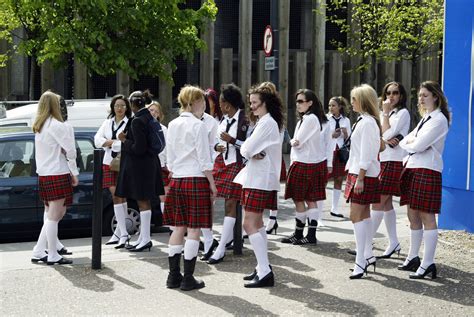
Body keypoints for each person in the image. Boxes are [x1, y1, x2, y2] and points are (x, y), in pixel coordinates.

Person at [163, 85, 217, 291]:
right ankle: (188, 279)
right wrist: (212, 183)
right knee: (194, 230)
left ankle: (172, 277)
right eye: (202, 101)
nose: (204, 105)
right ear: (194, 102)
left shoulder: (173, 123)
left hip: (177, 179)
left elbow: (169, 159)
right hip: (196, 179)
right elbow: (204, 159)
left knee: (178, 228)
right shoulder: (199, 125)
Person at [398, 81, 450, 279]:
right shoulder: (425, 118)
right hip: (412, 167)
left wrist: (413, 143)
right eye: (420, 95)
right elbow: (405, 141)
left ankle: (428, 263)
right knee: (412, 215)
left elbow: (417, 145)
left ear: (436, 96)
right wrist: (413, 143)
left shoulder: (439, 120)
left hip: (427, 169)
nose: (421, 99)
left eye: (425, 95)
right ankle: (413, 257)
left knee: (427, 216)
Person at [233, 84, 283, 288]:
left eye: (255, 103)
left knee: (249, 224)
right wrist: (250, 150)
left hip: (259, 179)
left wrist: (250, 150)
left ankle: (264, 270)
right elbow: (249, 149)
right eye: (251, 102)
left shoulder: (267, 123)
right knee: (258, 224)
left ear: (265, 103)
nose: (251, 106)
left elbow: (246, 148)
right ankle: (263, 268)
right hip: (259, 177)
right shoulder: (266, 121)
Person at [31, 91, 79, 265]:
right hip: (57, 172)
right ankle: (51, 254)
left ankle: (39, 249)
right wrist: (74, 171)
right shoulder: (56, 125)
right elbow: (71, 150)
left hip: (44, 173)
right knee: (55, 214)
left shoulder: (40, 124)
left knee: (52, 213)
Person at [116, 90, 165, 252]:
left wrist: (124, 140)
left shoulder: (137, 120)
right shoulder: (149, 117)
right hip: (150, 165)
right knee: (145, 202)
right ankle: (144, 237)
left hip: (141, 167)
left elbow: (139, 148)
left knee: (142, 202)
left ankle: (145, 239)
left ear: (132, 104)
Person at [206, 83, 249, 263]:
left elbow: (248, 147)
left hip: (236, 164)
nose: (220, 106)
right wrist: (217, 146)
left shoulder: (244, 121)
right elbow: (215, 143)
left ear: (227, 104)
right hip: (221, 162)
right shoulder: (223, 120)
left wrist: (232, 140)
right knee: (208, 195)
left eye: (222, 102)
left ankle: (222, 247)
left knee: (231, 204)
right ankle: (209, 241)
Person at [281, 89, 328, 245]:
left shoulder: (309, 119)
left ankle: (301, 234)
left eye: (301, 101)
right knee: (309, 199)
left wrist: (292, 141)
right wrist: (294, 141)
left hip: (303, 163)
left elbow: (297, 142)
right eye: (297, 101)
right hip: (309, 163)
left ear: (310, 103)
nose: (298, 104)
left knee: (300, 199)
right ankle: (308, 235)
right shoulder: (311, 118)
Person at [344, 84, 381, 279]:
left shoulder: (367, 123)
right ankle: (367, 255)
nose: (351, 103)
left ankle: (361, 260)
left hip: (362, 174)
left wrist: (360, 178)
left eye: (354, 99)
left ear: (363, 101)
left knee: (356, 215)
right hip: (360, 172)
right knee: (364, 214)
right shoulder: (365, 121)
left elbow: (367, 152)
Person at [372, 82, 410, 259]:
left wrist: (385, 115)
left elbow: (385, 135)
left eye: (395, 93)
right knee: (386, 204)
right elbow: (380, 135)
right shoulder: (382, 113)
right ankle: (393, 242)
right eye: (388, 93)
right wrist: (384, 135)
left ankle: (365, 243)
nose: (391, 96)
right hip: (383, 159)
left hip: (394, 161)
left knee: (378, 202)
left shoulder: (402, 113)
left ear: (401, 95)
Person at [94, 95, 131, 248]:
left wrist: (111, 144)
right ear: (112, 107)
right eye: (117, 105)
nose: (119, 108)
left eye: (122, 105)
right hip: (109, 163)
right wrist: (113, 142)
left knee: (120, 195)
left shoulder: (129, 123)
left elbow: (127, 143)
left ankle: (121, 232)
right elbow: (97, 140)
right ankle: (122, 232)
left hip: (123, 162)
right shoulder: (107, 122)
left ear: (127, 107)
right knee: (115, 194)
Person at [326, 96, 351, 218]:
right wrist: (332, 135)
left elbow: (349, 139)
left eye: (333, 105)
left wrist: (345, 134)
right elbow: (321, 136)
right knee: (324, 179)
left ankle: (334, 208)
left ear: (340, 106)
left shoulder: (346, 120)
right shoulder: (325, 119)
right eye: (330, 105)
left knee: (339, 178)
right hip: (329, 151)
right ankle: (318, 213)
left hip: (341, 151)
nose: (331, 108)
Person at [148, 101, 169, 212]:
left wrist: (167, 164)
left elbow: (167, 148)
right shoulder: (141, 126)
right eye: (151, 110)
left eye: (156, 111)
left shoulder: (163, 129)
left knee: (164, 196)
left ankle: (168, 223)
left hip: (160, 166)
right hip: (145, 166)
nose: (153, 113)